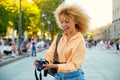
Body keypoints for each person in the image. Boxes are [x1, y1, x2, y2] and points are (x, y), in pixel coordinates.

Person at [34, 2, 89, 80]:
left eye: (67, 21)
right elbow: (50, 53)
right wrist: (44, 62)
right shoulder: (59, 37)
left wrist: (55, 66)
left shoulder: (80, 40)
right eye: (62, 22)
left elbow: (74, 65)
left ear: (76, 21)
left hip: (74, 77)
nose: (63, 25)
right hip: (58, 76)